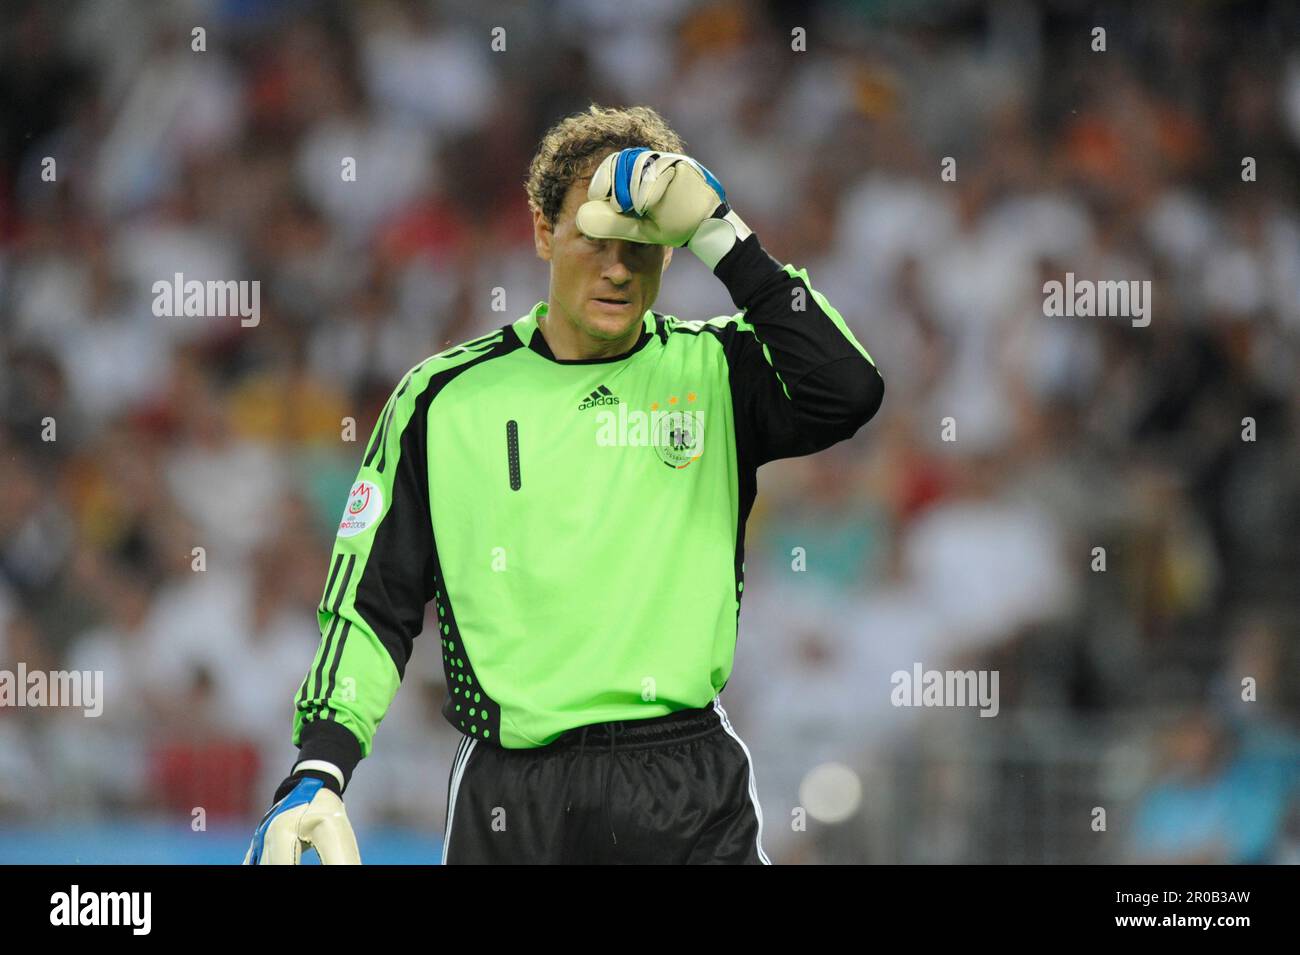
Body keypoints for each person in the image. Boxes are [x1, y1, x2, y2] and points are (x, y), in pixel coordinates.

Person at [244, 103, 883, 865]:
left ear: (671, 252)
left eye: (644, 246)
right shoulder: (443, 400)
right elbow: (371, 605)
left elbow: (848, 390)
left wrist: (723, 235)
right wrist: (320, 767)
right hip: (516, 798)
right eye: (596, 238)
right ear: (544, 231)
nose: (618, 268)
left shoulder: (715, 371)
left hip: (687, 787)